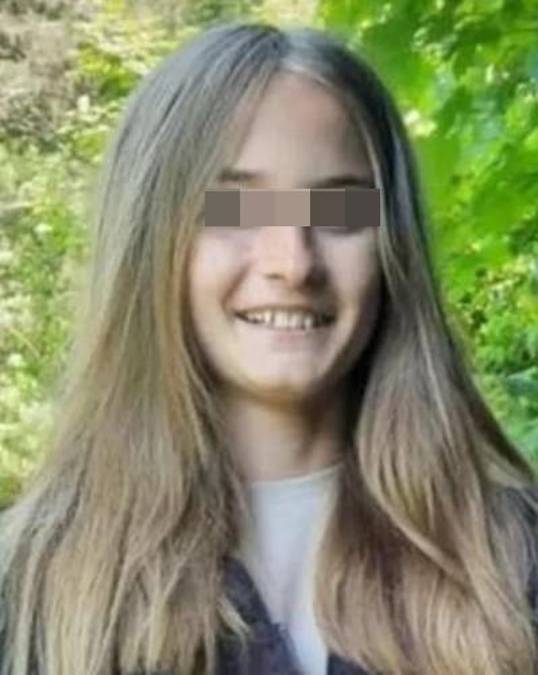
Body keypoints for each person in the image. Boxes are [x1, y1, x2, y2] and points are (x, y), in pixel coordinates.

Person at [0, 19, 536, 675]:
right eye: (234, 208)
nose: (293, 261)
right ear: (151, 239)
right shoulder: (30, 589)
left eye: (339, 211)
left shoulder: (514, 560)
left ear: (393, 248)